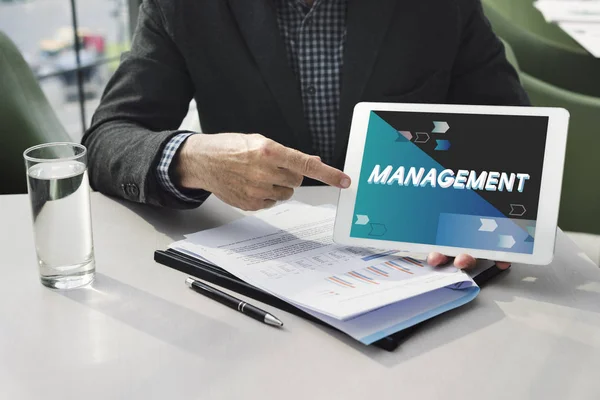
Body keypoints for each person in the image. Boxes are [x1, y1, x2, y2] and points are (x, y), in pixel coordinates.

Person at [83, 0, 525, 270]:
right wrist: (190, 157)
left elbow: (515, 131)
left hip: (417, 260)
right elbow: (107, 138)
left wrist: (483, 218)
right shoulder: (181, 5)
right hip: (258, 266)